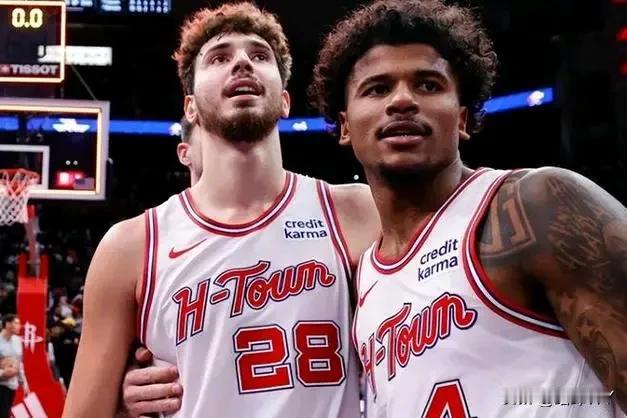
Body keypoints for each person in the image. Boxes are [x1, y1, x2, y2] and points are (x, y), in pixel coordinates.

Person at [306, 0, 627, 416]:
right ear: (345, 126)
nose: (402, 100)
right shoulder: (364, 280)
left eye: (427, 85)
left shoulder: (535, 203)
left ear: (461, 119)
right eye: (378, 88)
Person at [63, 3, 379, 417]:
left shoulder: (356, 212)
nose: (242, 62)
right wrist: (120, 405)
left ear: (285, 101)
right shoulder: (131, 246)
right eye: (219, 57)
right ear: (190, 107)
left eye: (259, 55)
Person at [0, 314, 29, 418]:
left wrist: (24, 382)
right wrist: (2, 373)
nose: (19, 326)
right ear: (8, 324)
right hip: (1, 383)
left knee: (6, 412)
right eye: (16, 323)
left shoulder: (17, 341)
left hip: (12, 384)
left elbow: (19, 362)